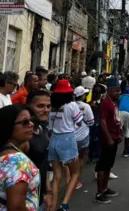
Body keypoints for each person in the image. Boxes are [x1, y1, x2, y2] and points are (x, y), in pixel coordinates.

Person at [0, 105, 40, 210]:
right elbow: (16, 207)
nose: (31, 124)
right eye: (24, 122)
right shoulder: (18, 162)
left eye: (31, 120)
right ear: (8, 127)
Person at [48, 79, 83, 211]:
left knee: (57, 177)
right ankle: (64, 204)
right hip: (67, 140)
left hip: (53, 141)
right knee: (75, 173)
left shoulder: (52, 107)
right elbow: (79, 122)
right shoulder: (72, 105)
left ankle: (53, 206)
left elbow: (50, 127)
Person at [24, 90, 54, 211]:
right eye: (40, 106)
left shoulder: (41, 129)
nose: (46, 110)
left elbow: (42, 164)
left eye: (48, 106)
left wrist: (48, 191)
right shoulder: (23, 136)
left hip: (40, 198)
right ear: (28, 107)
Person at [95, 78, 122, 204]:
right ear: (110, 90)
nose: (118, 93)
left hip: (115, 137)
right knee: (103, 165)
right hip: (107, 139)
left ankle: (105, 188)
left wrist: (119, 134)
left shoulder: (113, 101)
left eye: (119, 90)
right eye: (116, 91)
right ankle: (99, 193)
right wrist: (109, 138)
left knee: (108, 166)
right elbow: (102, 121)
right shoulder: (105, 102)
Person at [71, 86, 95, 190]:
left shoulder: (69, 106)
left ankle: (71, 180)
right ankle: (76, 180)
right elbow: (91, 122)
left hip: (71, 136)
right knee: (80, 158)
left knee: (70, 159)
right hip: (83, 136)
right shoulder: (86, 106)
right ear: (83, 96)